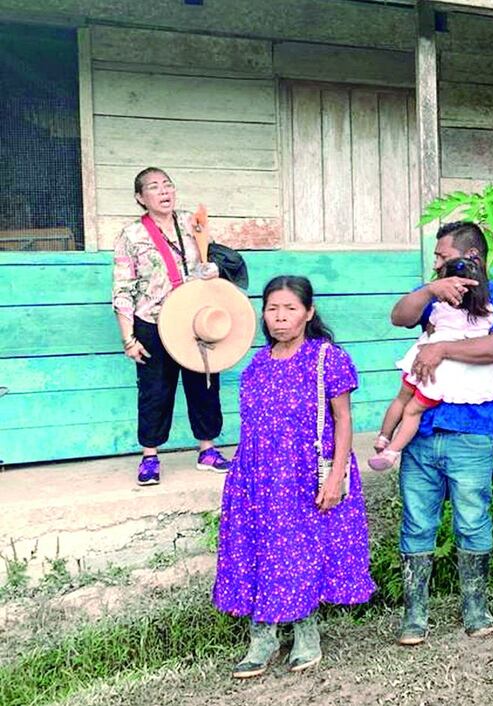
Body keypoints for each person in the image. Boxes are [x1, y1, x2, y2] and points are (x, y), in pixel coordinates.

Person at [212, 275, 375, 678]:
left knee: (301, 552)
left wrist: (336, 477)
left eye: (289, 309)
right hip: (259, 476)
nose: (280, 318)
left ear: (308, 313)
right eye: (272, 309)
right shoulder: (256, 365)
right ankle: (262, 638)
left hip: (305, 474)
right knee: (260, 551)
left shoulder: (326, 358)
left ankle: (306, 633)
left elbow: (343, 419)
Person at [388, 221, 493, 645]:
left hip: (472, 432)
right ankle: (415, 614)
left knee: (472, 520)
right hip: (422, 431)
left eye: (442, 257)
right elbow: (399, 317)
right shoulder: (437, 298)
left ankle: (475, 605)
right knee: (416, 522)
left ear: (472, 259)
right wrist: (431, 290)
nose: (436, 265)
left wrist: (441, 347)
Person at [111, 167, 228, 486]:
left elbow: (213, 260)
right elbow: (123, 288)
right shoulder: (130, 235)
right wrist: (128, 339)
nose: (164, 191)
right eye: (154, 187)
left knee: (204, 384)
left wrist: (214, 270)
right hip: (153, 323)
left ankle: (207, 450)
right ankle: (150, 456)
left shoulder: (194, 222)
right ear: (140, 197)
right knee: (154, 391)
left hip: (196, 319)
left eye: (168, 185)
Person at [368, 257, 493, 471]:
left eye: (441, 258)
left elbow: (431, 331)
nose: (435, 264)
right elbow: (492, 344)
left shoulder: (440, 309)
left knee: (402, 400)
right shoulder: (488, 313)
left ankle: (385, 439)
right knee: (413, 411)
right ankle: (391, 452)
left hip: (423, 366)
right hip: (444, 378)